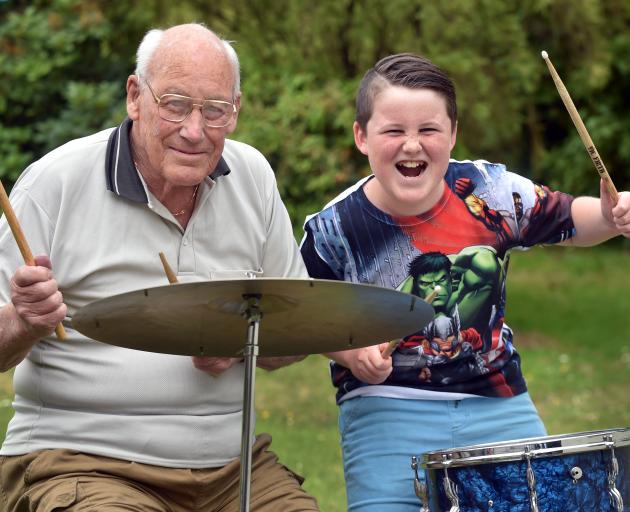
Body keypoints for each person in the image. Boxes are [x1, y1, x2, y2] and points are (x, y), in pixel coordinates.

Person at [0, 24, 319, 511]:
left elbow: (294, 332)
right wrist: (24, 321)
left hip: (233, 471)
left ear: (236, 111)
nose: (194, 130)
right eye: (174, 104)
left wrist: (239, 344)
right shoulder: (54, 182)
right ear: (135, 96)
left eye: (214, 110)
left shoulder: (252, 176)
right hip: (84, 462)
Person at [300, 52, 630, 511]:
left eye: (428, 130)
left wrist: (613, 217)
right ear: (362, 136)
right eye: (394, 131)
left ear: (452, 135)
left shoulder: (489, 190)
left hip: (497, 399)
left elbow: (570, 220)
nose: (412, 145)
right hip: (386, 406)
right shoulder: (335, 228)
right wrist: (349, 354)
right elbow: (299, 314)